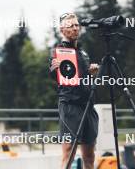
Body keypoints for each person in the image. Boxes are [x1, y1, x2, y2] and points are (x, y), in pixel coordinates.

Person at [49, 13, 99, 169]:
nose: (76, 28)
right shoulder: (57, 52)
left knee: (89, 156)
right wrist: (53, 69)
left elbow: (80, 77)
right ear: (62, 30)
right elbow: (55, 75)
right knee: (69, 154)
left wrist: (91, 72)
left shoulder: (83, 53)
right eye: (71, 25)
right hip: (70, 106)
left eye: (77, 25)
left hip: (88, 106)